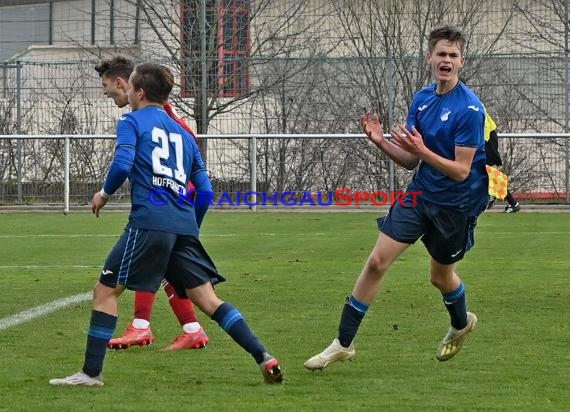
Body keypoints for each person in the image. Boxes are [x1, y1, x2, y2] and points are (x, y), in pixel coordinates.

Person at [49, 63, 283, 386]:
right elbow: (206, 192)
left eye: (129, 87)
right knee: (209, 301)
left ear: (140, 92)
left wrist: (103, 194)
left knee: (105, 290)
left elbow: (122, 163)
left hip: (148, 223)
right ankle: (264, 356)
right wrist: (191, 228)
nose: (127, 92)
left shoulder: (130, 122)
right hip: (183, 226)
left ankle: (91, 373)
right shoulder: (185, 135)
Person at [304, 26, 486, 370]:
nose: (446, 60)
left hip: (455, 206)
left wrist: (421, 150)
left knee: (440, 278)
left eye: (452, 55)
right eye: (440, 54)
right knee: (376, 262)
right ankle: (343, 343)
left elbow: (461, 171)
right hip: (418, 196)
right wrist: (380, 141)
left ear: (462, 61)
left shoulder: (470, 110)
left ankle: (461, 322)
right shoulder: (422, 100)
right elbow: (412, 160)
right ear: (429, 58)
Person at [94, 56, 209, 350]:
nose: (107, 93)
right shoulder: (158, 113)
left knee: (149, 262)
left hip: (173, 197)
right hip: (179, 198)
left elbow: (176, 156)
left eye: (108, 87)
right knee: (165, 266)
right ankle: (192, 329)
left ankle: (141, 327)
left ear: (128, 85)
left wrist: (105, 193)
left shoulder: (151, 117)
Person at [484, 112, 521, 213]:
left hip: (487, 138)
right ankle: (512, 203)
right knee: (488, 171)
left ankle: (493, 196)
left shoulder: (471, 102)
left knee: (491, 171)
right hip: (485, 138)